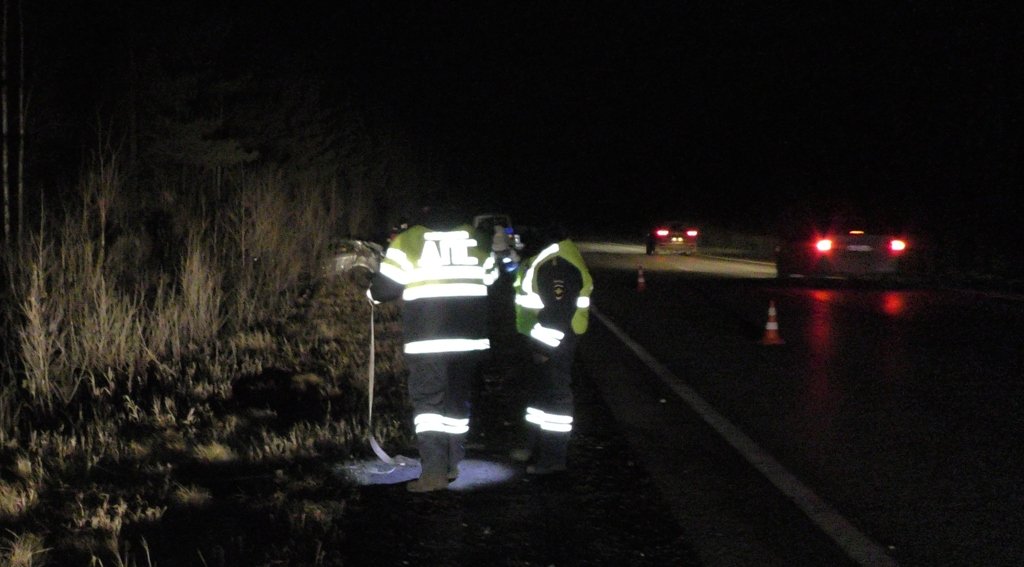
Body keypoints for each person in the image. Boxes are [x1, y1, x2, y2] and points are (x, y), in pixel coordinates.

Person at [369, 205, 500, 492]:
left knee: (429, 406)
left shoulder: (409, 241)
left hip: (428, 340)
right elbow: (491, 278)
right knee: (456, 403)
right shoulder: (477, 239)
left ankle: (433, 474)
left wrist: (371, 293)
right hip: (469, 340)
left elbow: (385, 289)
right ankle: (453, 463)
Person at [510, 224, 593, 474]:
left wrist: (543, 349)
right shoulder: (546, 257)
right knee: (540, 397)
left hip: (554, 341)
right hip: (543, 338)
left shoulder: (557, 263)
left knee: (556, 400)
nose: (521, 241)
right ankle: (534, 446)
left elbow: (557, 315)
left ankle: (553, 460)